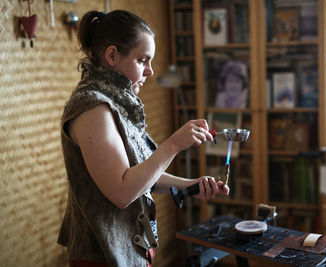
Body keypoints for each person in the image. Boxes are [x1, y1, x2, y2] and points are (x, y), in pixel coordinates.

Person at [57, 10, 229, 267]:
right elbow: (123, 191)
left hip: (130, 249)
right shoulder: (92, 108)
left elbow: (140, 175)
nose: (150, 71)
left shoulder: (117, 102)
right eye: (143, 60)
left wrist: (189, 184)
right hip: (102, 257)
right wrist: (174, 144)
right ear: (113, 55)